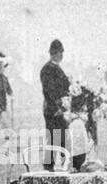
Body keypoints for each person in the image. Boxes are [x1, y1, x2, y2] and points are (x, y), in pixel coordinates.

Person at [40, 39, 70, 170]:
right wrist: (56, 108)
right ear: (56, 53)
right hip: (53, 109)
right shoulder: (48, 69)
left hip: (59, 108)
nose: (61, 55)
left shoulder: (55, 67)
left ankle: (64, 163)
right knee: (53, 137)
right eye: (60, 53)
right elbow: (48, 91)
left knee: (61, 136)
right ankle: (49, 166)